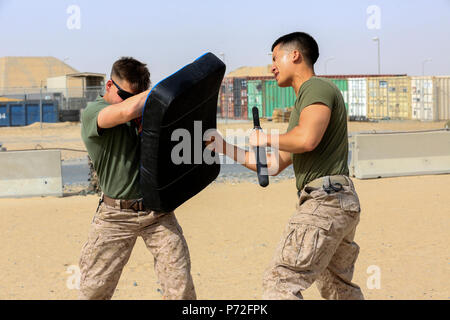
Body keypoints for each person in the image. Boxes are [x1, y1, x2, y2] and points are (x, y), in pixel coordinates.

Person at [209, 32, 364, 300]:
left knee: (280, 281)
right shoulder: (302, 107)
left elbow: (307, 139)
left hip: (325, 201)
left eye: (274, 57)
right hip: (337, 202)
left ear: (295, 55)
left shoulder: (316, 88)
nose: (272, 66)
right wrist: (224, 147)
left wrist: (266, 137)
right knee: (338, 289)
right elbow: (270, 165)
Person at [79, 57, 196, 300]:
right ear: (109, 86)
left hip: (157, 212)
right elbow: (128, 109)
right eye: (126, 95)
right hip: (115, 216)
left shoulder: (145, 114)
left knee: (180, 288)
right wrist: (162, 91)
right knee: (93, 292)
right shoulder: (94, 113)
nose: (133, 102)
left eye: (137, 96)